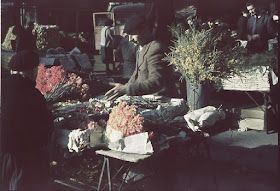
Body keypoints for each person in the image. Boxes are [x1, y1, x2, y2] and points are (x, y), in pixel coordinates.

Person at [0, 50, 54, 190]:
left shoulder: (3, 88)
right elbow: (44, 126)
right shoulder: (32, 94)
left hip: (4, 152)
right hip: (23, 156)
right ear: (32, 71)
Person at [105, 14, 178, 101]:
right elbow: (135, 76)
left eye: (133, 34)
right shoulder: (141, 48)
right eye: (128, 36)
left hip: (160, 101)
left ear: (145, 31)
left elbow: (156, 81)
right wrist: (123, 89)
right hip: (147, 99)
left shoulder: (155, 48)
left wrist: (126, 89)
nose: (130, 39)